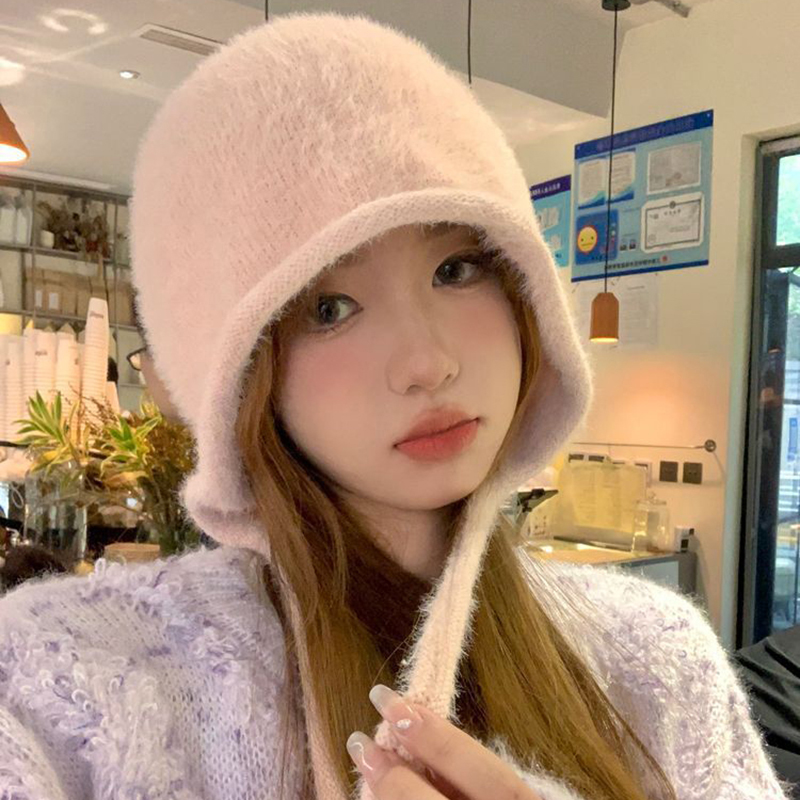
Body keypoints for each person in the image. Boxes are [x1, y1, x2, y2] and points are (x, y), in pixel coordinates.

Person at [0, 13, 789, 800]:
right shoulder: (64, 677)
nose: (428, 364)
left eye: (457, 269)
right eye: (329, 309)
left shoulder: (656, 660)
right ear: (235, 375)